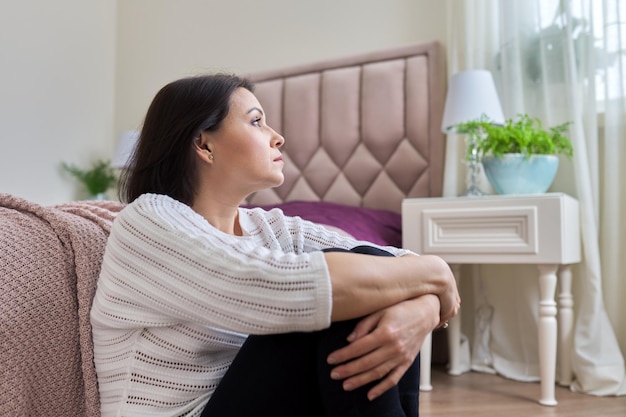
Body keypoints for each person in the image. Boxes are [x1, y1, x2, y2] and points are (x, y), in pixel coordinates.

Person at [90, 73, 460, 417]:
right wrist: (437, 275)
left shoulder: (268, 225)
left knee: (369, 271)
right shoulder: (148, 221)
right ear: (204, 144)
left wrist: (423, 309)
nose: (277, 136)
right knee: (350, 292)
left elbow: (391, 261)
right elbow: (295, 288)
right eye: (256, 121)